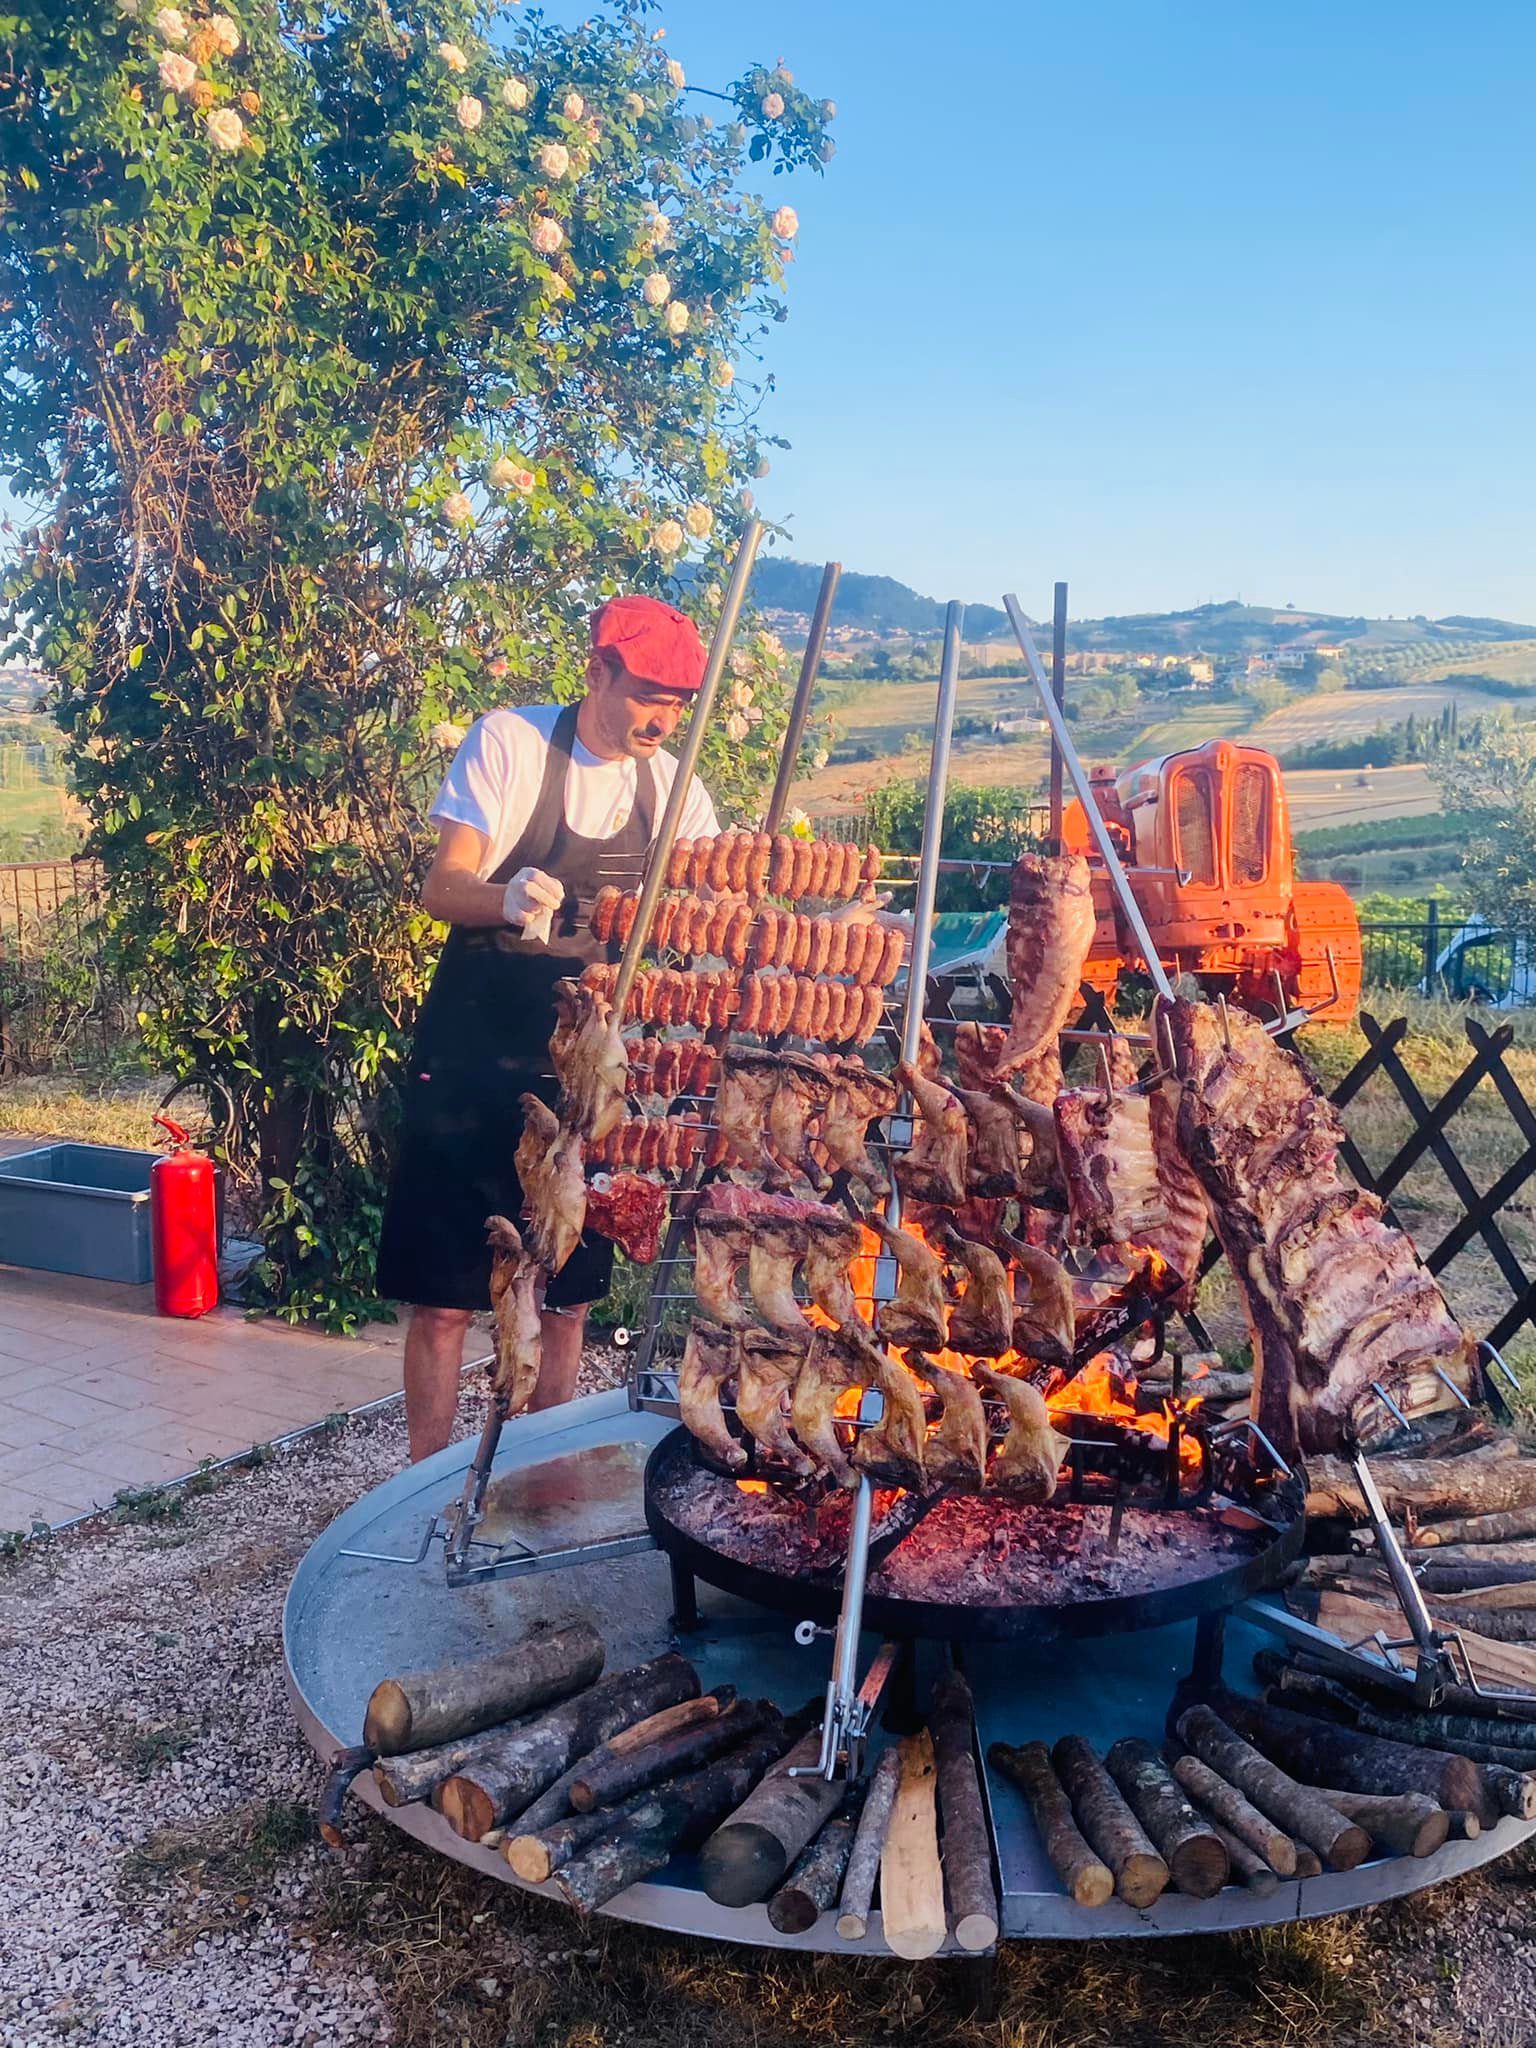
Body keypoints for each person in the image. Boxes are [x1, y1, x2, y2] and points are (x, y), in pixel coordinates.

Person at [377, 594, 719, 1461]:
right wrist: (505, 896)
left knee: (566, 1297)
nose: (662, 721)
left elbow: (714, 912)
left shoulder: (674, 789)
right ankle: (426, 1485)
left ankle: (537, 1480)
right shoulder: (512, 742)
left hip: (585, 1082)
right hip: (474, 1056)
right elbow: (441, 887)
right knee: (446, 1299)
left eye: (677, 705)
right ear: (597, 672)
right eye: (647, 697)